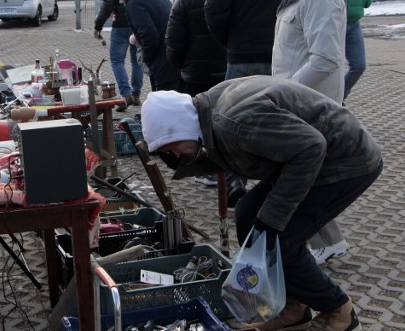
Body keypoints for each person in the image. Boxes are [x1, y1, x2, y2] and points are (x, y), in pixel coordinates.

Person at [140, 77, 383, 331]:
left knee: (280, 240)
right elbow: (233, 152)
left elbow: (311, 147)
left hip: (345, 161)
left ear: (181, 128)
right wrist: (186, 163)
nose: (175, 154)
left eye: (173, 147)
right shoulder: (207, 111)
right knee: (247, 214)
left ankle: (339, 310)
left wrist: (274, 217)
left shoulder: (232, 121)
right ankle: (293, 307)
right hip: (307, 160)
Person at [269, 0, 350, 266]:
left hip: (308, 103)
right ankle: (330, 241)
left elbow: (326, 59)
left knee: (302, 177)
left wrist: (285, 91)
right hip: (296, 100)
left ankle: (325, 243)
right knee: (302, 177)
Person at [204, 0, 281, 206]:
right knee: (277, 121)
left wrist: (231, 41)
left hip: (242, 56)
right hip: (280, 57)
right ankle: (275, 185)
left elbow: (213, 9)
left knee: (231, 121)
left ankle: (236, 178)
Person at [165, 0, 226, 187]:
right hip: (227, 70)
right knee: (225, 118)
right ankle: (229, 171)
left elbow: (173, 41)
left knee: (200, 121)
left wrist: (180, 66)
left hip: (195, 73)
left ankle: (208, 170)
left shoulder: (184, 0)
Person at [115, 0, 183, 92]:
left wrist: (147, 59)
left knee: (164, 107)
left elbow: (150, 36)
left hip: (163, 63)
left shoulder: (134, 3)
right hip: (175, 57)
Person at [94, 0, 146, 112]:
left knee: (117, 61)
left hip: (121, 25)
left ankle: (126, 95)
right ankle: (137, 94)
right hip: (138, 24)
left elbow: (106, 5)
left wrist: (98, 25)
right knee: (137, 60)